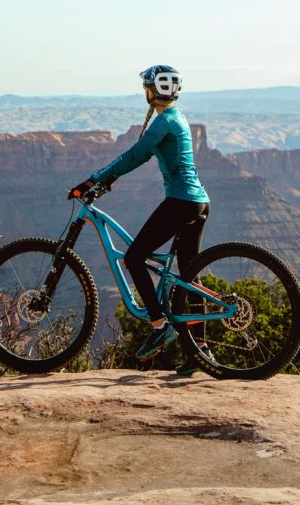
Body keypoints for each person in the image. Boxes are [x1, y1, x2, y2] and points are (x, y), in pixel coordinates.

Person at [69, 64, 214, 375]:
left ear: (153, 90)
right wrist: (108, 181)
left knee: (134, 258)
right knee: (190, 277)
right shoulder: (178, 116)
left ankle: (160, 324)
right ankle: (201, 351)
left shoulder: (163, 122)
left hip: (181, 203)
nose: (144, 92)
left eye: (145, 87)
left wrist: (94, 179)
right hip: (199, 202)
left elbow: (135, 156)